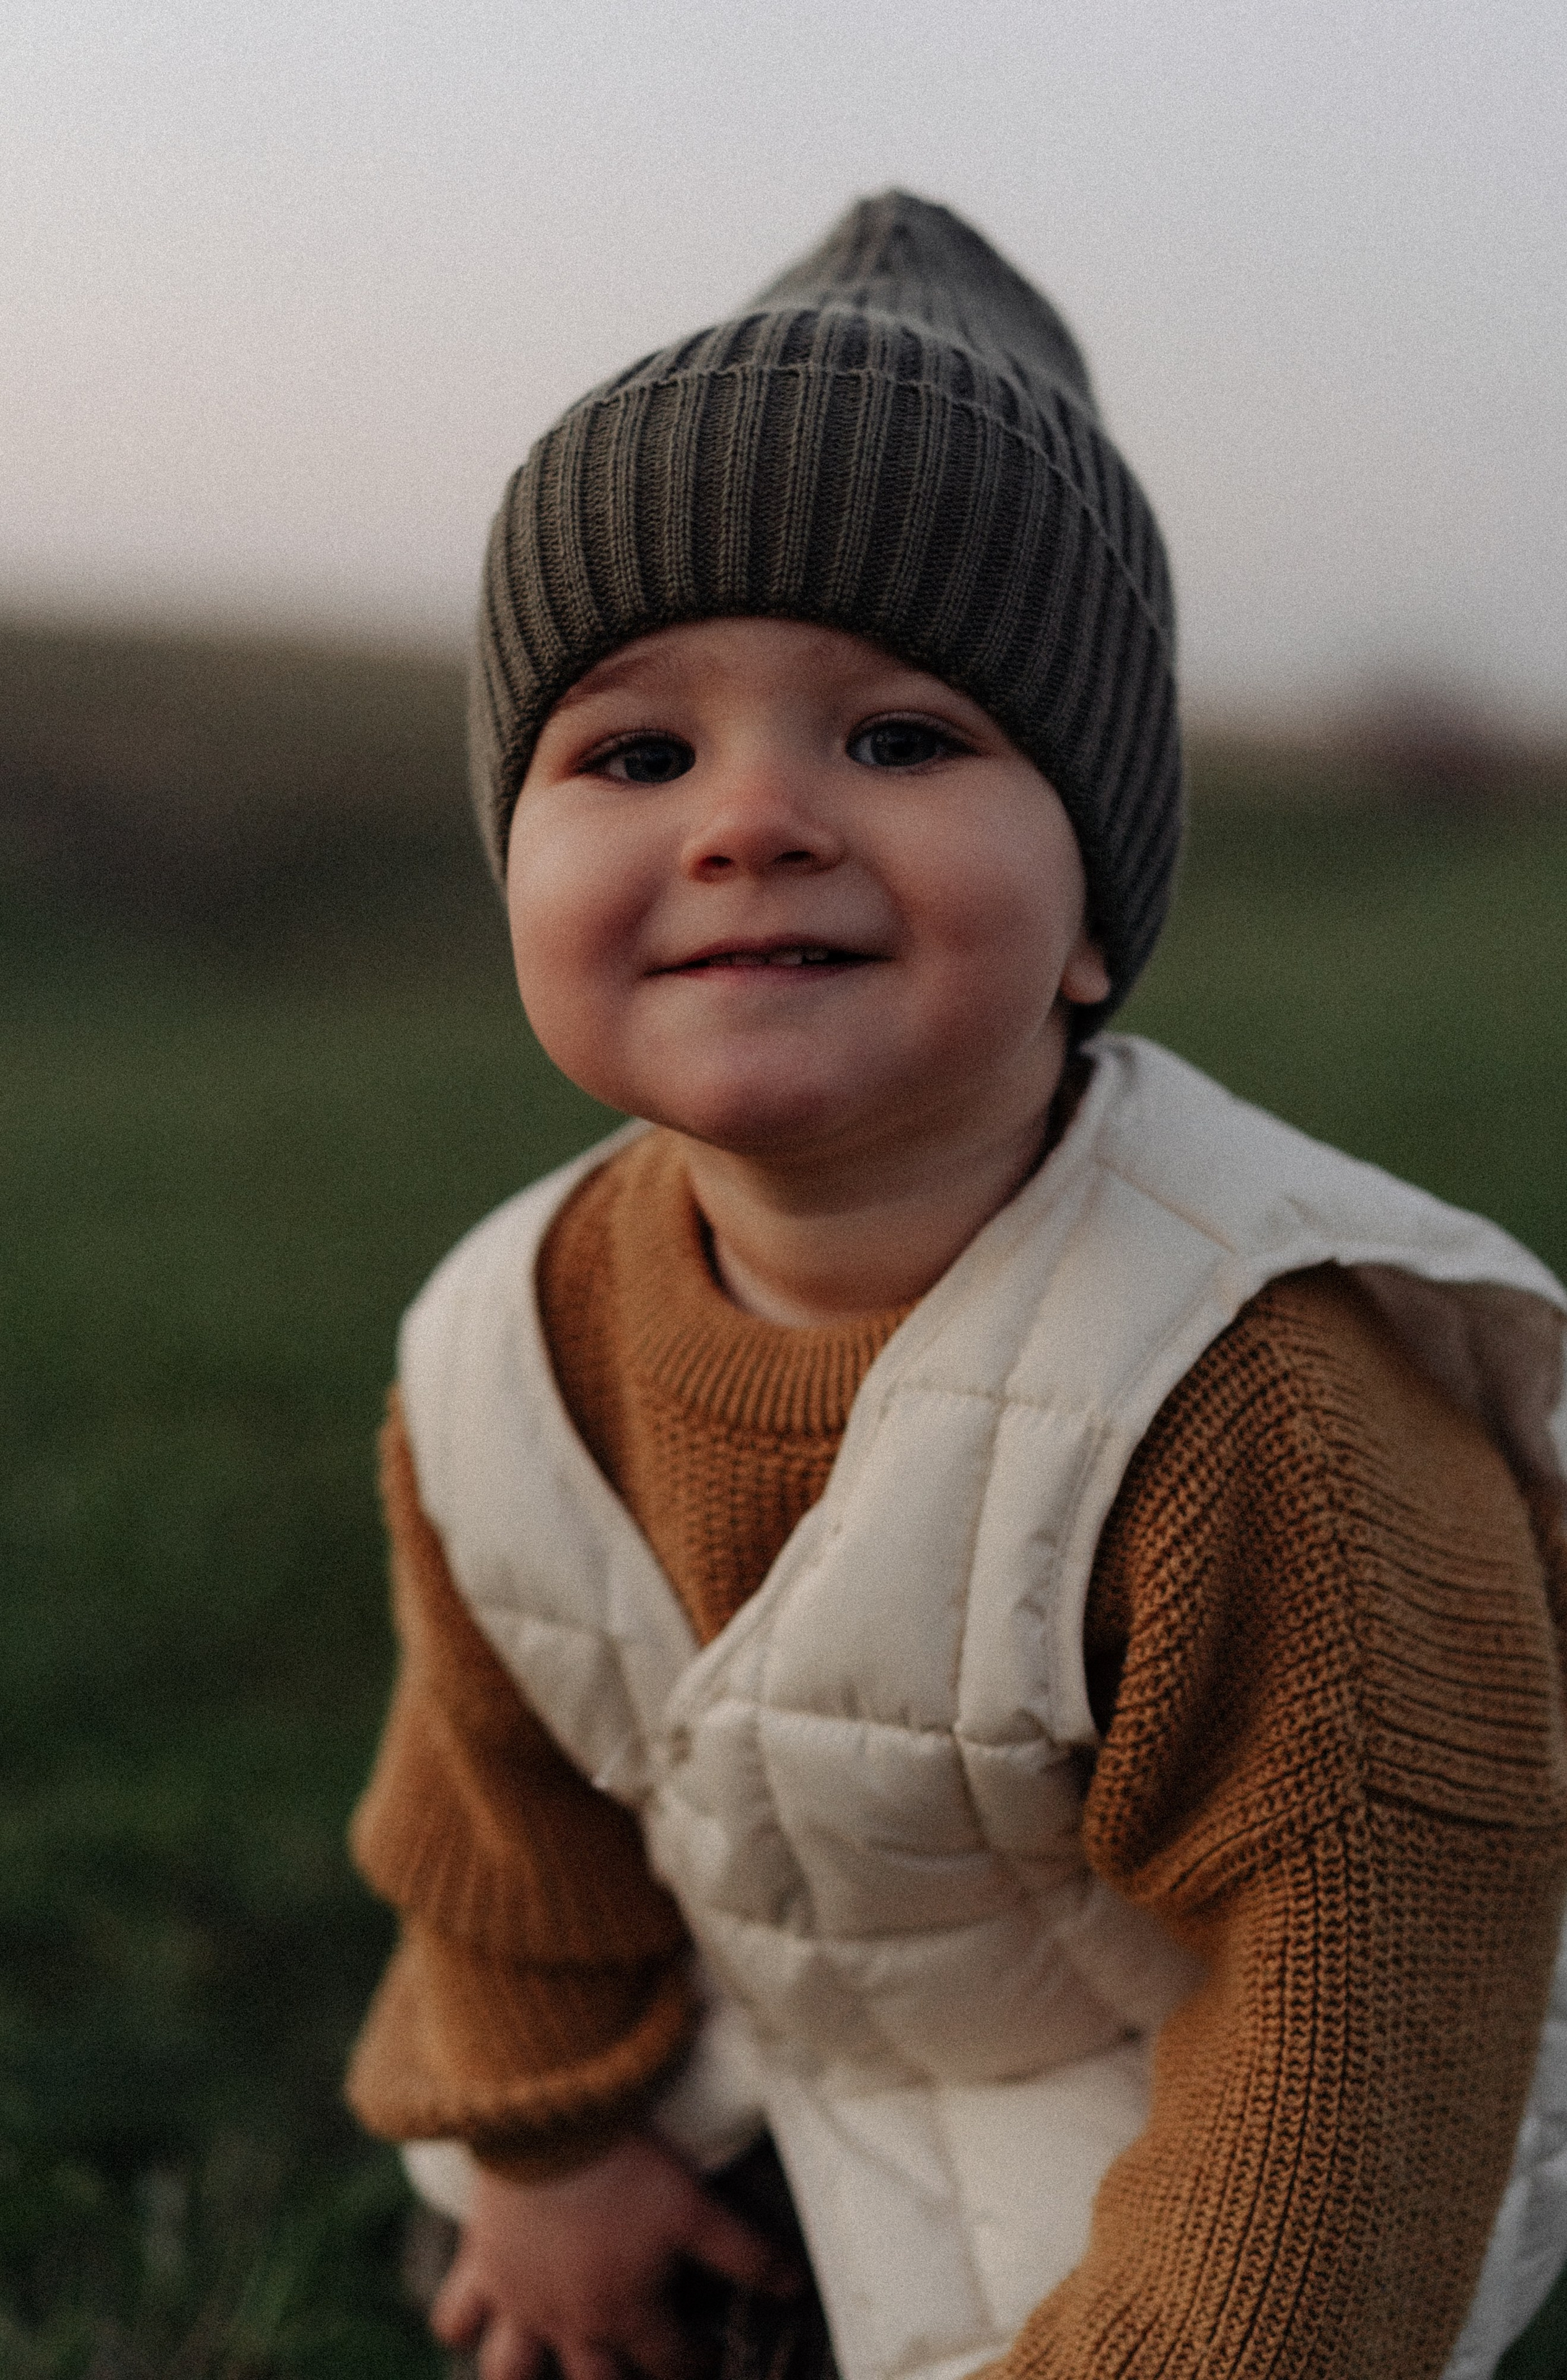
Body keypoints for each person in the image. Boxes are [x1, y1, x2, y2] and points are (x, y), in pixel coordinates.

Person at [345, 192, 1567, 2380]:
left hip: (1206, 2150)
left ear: (1096, 909)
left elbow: (1363, 2018)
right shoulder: (501, 1339)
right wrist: (541, 2144)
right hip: (810, 2043)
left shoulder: (1254, 1396)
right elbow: (497, 1790)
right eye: (635, 753)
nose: (753, 821)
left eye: (899, 739)